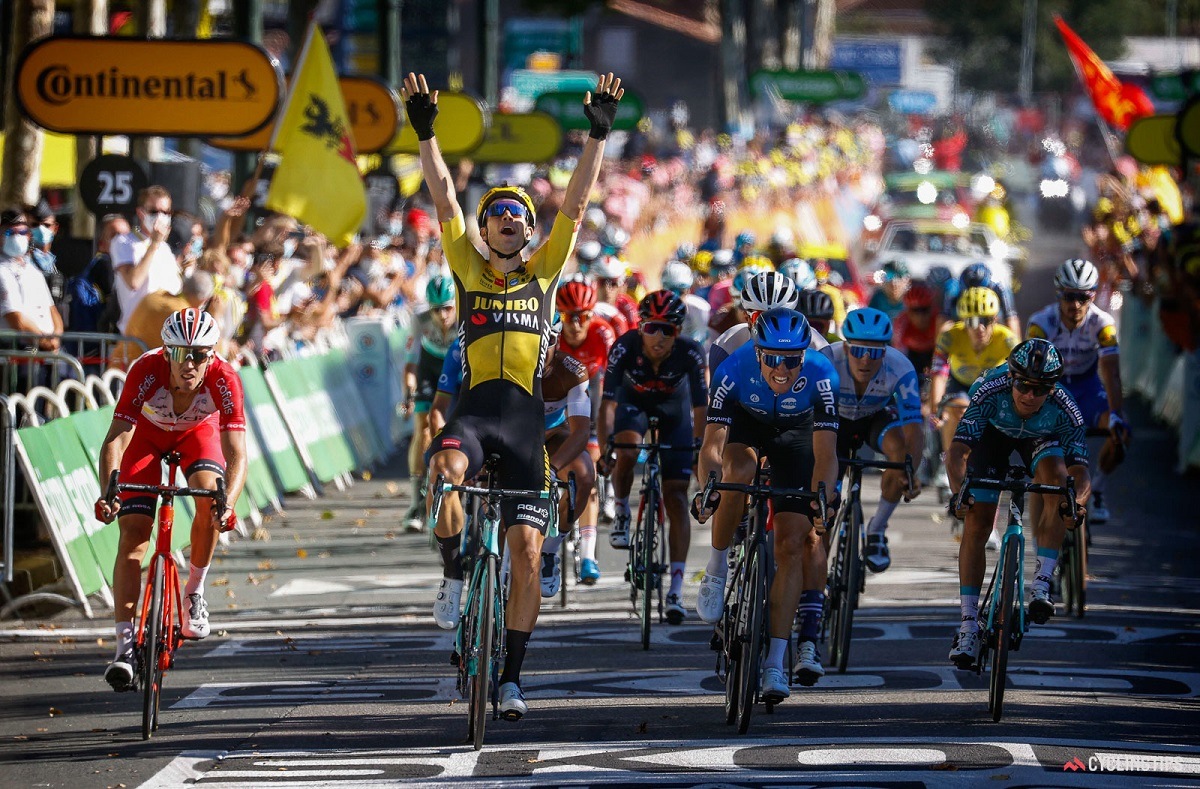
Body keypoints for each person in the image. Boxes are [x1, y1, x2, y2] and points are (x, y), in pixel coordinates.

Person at [406, 70, 622, 721]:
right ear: (485, 228)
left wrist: (597, 134)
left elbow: (578, 205)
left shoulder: (545, 273)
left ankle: (511, 676)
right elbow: (444, 194)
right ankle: (452, 569)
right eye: (497, 212)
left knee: (528, 551)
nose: (507, 218)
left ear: (529, 231)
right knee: (444, 475)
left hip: (526, 426)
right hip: (475, 417)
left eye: (518, 214)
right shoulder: (467, 268)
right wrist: (425, 131)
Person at [94, 308, 247, 691]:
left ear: (212, 355)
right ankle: (124, 648)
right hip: (146, 436)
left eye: (199, 354)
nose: (190, 363)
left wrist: (227, 505)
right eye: (181, 353)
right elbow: (117, 436)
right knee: (133, 537)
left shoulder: (225, 378)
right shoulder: (145, 370)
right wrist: (108, 492)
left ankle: (193, 591)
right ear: (167, 353)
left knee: (210, 501)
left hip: (198, 434)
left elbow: (237, 454)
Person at [693, 308, 840, 697]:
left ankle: (776, 662)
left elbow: (826, 455)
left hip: (797, 433)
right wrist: (709, 486)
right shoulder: (733, 370)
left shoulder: (824, 375)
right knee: (736, 470)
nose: (782, 369)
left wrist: (825, 496)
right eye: (772, 358)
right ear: (757, 351)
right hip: (748, 423)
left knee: (792, 543)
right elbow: (712, 445)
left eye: (791, 360)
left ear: (804, 356)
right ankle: (717, 565)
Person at [945, 339, 1089, 669]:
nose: (1029, 395)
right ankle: (968, 623)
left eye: (1039, 389)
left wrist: (1075, 503)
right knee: (978, 521)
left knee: (1058, 483)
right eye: (1023, 384)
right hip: (992, 437)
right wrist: (958, 494)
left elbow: (1080, 470)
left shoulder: (1065, 407)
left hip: (1040, 439)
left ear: (1052, 389)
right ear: (1012, 377)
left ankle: (1042, 583)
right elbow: (957, 452)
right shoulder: (989, 389)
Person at [597, 290, 706, 623]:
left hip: (675, 413)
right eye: (651, 328)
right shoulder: (624, 347)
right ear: (640, 327)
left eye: (668, 330)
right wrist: (606, 449)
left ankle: (675, 588)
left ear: (679, 332)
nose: (658, 338)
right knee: (627, 447)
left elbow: (702, 406)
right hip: (634, 406)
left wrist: (700, 447)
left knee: (675, 495)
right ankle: (621, 512)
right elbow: (608, 406)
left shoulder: (691, 352)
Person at [820, 308, 924, 572]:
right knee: (825, 490)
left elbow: (914, 428)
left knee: (900, 450)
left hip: (875, 416)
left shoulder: (901, 368)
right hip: (835, 421)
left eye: (876, 352)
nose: (866, 359)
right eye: (858, 350)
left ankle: (877, 530)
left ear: (886, 352)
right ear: (845, 348)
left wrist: (910, 471)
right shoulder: (825, 360)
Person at [1027, 259, 1126, 524]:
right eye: (1070, 297)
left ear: (1093, 295)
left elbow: (1112, 373)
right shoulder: (1040, 323)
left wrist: (1116, 414)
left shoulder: (1103, 323)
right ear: (1059, 294)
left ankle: (1098, 492)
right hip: (1053, 390)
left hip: (1087, 389)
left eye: (1084, 297)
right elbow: (1033, 375)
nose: (1076, 305)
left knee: (1121, 433)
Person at [928, 286, 1018, 542]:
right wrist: (937, 408)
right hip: (960, 385)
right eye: (972, 321)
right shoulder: (949, 336)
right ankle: (950, 465)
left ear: (995, 320)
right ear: (962, 322)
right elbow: (938, 374)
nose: (979, 328)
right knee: (954, 408)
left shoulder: (1007, 339)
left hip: (992, 389)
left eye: (986, 321)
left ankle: (990, 521)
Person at [555, 277, 616, 583]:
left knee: (587, 471)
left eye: (583, 316)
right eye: (568, 317)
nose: (576, 324)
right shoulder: (552, 336)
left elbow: (616, 385)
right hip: (557, 402)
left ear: (593, 316)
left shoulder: (603, 334)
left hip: (590, 394)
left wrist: (610, 436)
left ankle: (589, 554)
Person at [402, 275, 458, 533]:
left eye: (448, 308)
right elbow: (412, 362)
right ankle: (415, 504)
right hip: (431, 367)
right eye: (437, 309)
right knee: (422, 427)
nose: (443, 315)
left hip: (457, 367)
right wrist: (409, 393)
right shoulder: (420, 320)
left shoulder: (466, 317)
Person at [110, 186, 183, 335]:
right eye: (154, 211)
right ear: (141, 213)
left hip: (167, 331)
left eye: (165, 212)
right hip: (138, 332)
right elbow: (134, 281)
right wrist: (154, 244)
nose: (160, 216)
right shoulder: (123, 242)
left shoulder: (165, 249)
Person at [708, 269, 809, 372]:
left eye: (779, 317)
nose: (771, 327)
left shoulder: (816, 345)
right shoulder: (726, 344)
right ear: (747, 319)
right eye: (760, 317)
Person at [1, 209, 63, 351]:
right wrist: (45, 342)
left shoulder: (33, 270)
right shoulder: (2, 271)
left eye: (22, 232)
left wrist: (56, 338)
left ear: (29, 235)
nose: (17, 237)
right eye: (10, 233)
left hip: (45, 352)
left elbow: (52, 310)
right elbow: (16, 318)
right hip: (20, 352)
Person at [939, 261, 1020, 336]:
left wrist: (1017, 348)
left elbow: (1010, 318)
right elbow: (944, 320)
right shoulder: (952, 288)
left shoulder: (1000, 288)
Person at [891, 283, 939, 381]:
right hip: (912, 354)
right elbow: (898, 356)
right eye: (915, 311)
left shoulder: (938, 320)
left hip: (934, 352)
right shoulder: (901, 323)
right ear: (908, 311)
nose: (920, 316)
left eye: (924, 310)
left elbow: (944, 353)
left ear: (931, 309)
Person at [661, 260, 711, 344]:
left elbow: (705, 343)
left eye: (680, 292)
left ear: (688, 290)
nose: (675, 298)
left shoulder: (700, 309)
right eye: (671, 292)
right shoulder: (656, 309)